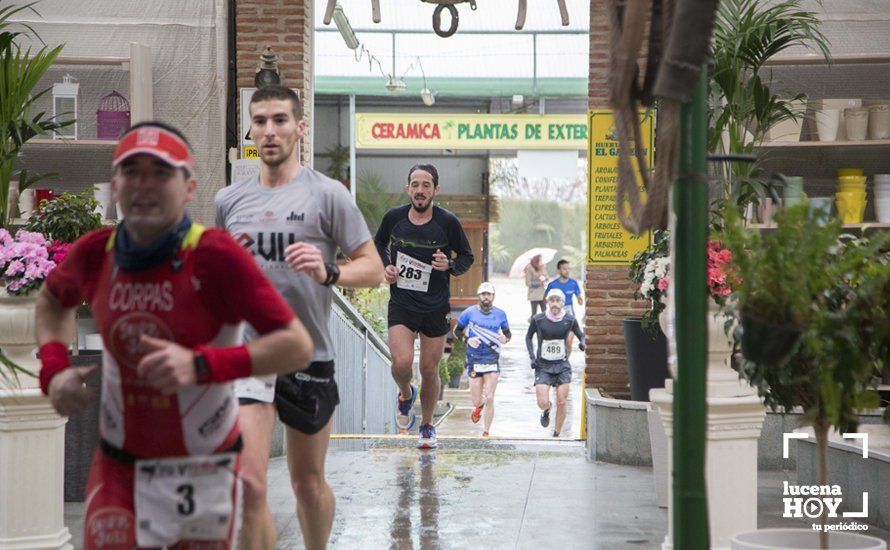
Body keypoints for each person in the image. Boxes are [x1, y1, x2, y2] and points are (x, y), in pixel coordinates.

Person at [34, 121, 314, 550]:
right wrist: (53, 370)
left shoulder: (216, 255)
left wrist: (202, 365)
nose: (144, 184)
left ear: (189, 187)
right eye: (132, 171)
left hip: (202, 470)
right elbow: (52, 302)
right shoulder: (94, 253)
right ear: (114, 185)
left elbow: (296, 345)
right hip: (119, 469)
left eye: (161, 173)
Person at [215, 85, 383, 550]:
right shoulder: (228, 201)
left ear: (299, 128)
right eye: (261, 121)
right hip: (251, 356)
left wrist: (329, 271)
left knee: (307, 485)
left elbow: (372, 269)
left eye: (280, 120)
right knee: (249, 484)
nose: (269, 130)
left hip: (311, 355)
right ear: (250, 128)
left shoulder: (328, 196)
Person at [374, 163, 474, 449]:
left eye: (426, 185)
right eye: (415, 184)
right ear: (408, 188)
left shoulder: (447, 222)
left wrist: (450, 264)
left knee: (430, 369)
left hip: (435, 306)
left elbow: (467, 256)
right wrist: (387, 266)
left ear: (435, 189)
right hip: (402, 303)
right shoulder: (393, 218)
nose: (420, 190)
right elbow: (379, 243)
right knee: (402, 362)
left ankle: (428, 425)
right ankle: (406, 394)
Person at [453, 282, 511, 437]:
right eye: (483, 294)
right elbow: (456, 331)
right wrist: (467, 340)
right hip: (474, 359)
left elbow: (508, 334)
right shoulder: (469, 313)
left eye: (489, 294)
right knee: (477, 400)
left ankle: (486, 432)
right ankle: (478, 407)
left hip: (492, 358)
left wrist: (504, 339)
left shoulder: (500, 314)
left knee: (490, 397)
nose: (486, 297)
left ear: (493, 296)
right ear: (479, 296)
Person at [526, 288, 584, 437]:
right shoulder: (538, 319)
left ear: (563, 303)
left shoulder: (569, 319)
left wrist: (582, 343)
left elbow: (580, 334)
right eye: (552, 300)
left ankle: (557, 433)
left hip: (562, 365)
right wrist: (532, 357)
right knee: (542, 401)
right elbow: (528, 337)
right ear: (547, 302)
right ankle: (546, 409)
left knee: (562, 401)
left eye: (558, 301)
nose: (555, 304)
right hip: (543, 366)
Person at [524, 254, 548, 318]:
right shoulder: (529, 268)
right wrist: (539, 283)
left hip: (543, 293)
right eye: (540, 259)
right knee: (534, 313)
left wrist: (544, 279)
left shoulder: (542, 267)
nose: (541, 260)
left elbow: (547, 277)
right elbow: (528, 283)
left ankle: (544, 326)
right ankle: (532, 325)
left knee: (545, 312)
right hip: (534, 294)